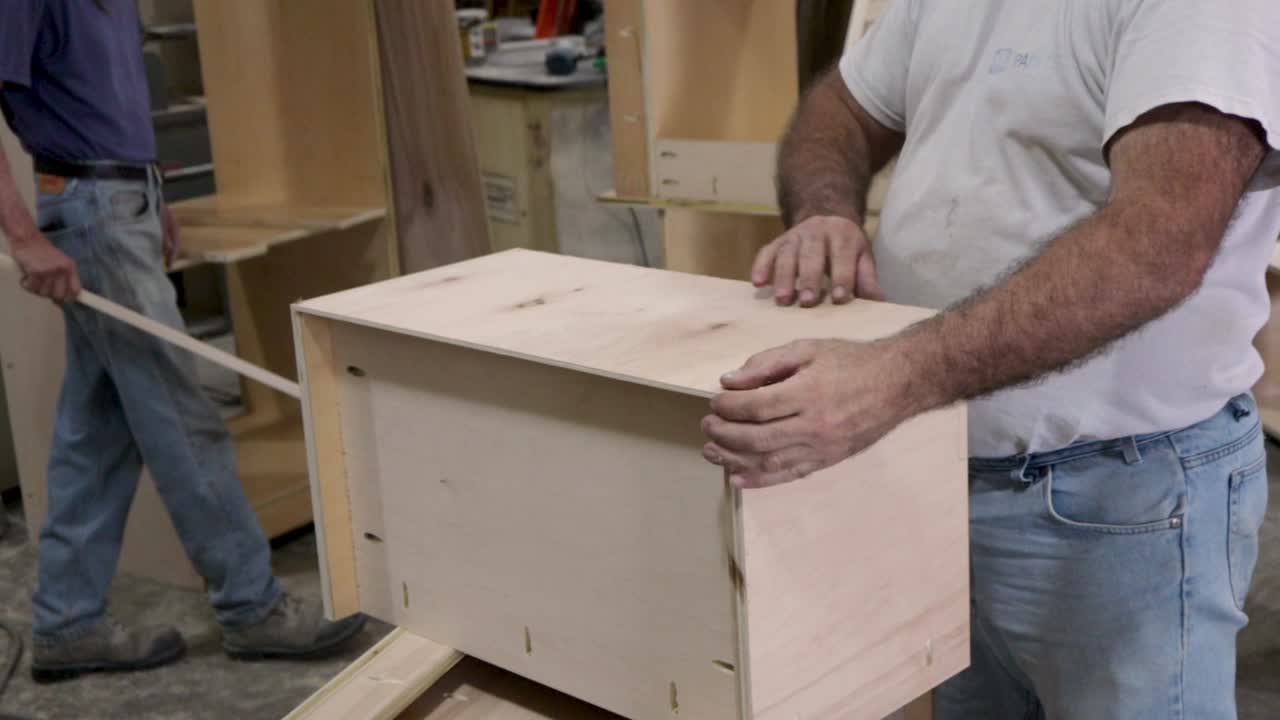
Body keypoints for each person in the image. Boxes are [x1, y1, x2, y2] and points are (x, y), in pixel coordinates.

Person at [699, 1, 1280, 718]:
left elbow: (1159, 242)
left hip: (1123, 499)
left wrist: (895, 376)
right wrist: (826, 211)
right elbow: (840, 113)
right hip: (941, 468)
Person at [0, 0, 364, 682]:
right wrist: (23, 238)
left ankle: (65, 620)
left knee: (98, 429)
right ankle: (252, 606)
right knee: (183, 417)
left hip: (121, 199)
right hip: (91, 209)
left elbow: (107, 92)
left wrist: (151, 187)